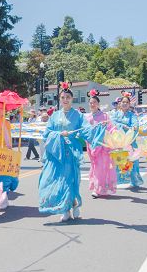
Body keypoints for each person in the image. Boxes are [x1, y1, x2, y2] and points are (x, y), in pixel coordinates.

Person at [38, 84, 105, 222]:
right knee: (58, 181)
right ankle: (66, 209)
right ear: (60, 99)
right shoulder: (54, 116)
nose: (65, 99)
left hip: (70, 154)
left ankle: (73, 205)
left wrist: (98, 128)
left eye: (68, 97)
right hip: (56, 155)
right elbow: (47, 134)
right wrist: (59, 134)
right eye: (63, 97)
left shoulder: (78, 116)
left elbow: (87, 131)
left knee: (69, 180)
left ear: (72, 99)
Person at [85, 90, 117, 197]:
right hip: (92, 146)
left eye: (94, 102)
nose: (92, 104)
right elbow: (85, 131)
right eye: (90, 103)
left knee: (102, 167)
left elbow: (112, 128)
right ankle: (100, 187)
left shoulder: (105, 116)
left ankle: (98, 189)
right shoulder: (87, 117)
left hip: (103, 146)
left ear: (98, 104)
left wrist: (108, 129)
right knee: (95, 167)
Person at [111, 96, 144, 187]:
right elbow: (112, 123)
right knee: (119, 161)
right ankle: (119, 180)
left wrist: (133, 128)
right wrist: (122, 126)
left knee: (133, 161)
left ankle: (134, 181)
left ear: (129, 104)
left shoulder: (132, 115)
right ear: (120, 104)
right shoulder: (115, 114)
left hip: (130, 141)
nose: (125, 104)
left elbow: (135, 125)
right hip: (119, 142)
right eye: (123, 102)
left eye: (126, 102)